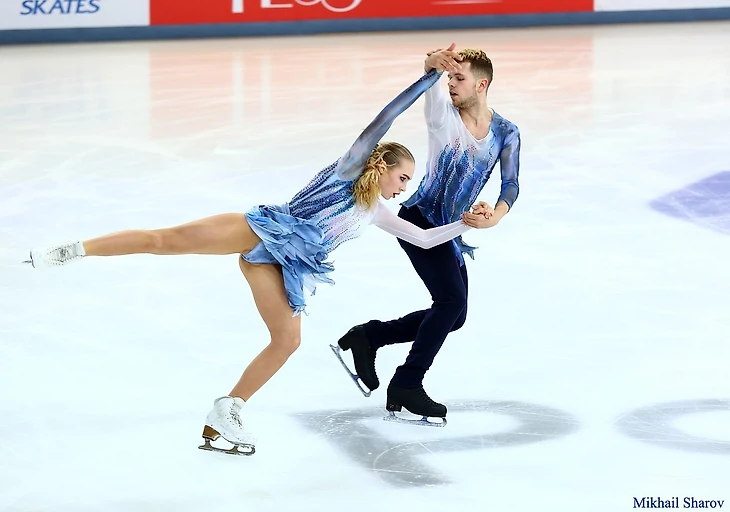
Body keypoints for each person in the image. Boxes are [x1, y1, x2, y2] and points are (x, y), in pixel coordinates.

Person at [23, 68, 492, 455]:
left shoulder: (377, 211)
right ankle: (72, 250)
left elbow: (425, 238)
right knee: (162, 239)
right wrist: (429, 80)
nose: (404, 188)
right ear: (381, 165)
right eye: (402, 177)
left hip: (279, 268)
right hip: (263, 230)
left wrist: (467, 226)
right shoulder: (349, 169)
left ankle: (226, 410)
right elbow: (384, 119)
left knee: (287, 340)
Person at [335, 44, 521, 426]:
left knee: (455, 316)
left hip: (451, 231)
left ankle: (369, 336)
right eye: (450, 77)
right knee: (450, 301)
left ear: (482, 84)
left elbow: (511, 184)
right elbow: (432, 91)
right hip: (420, 219)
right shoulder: (443, 119)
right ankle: (407, 382)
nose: (452, 84)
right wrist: (431, 68)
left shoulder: (506, 132)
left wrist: (495, 215)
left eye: (460, 78)